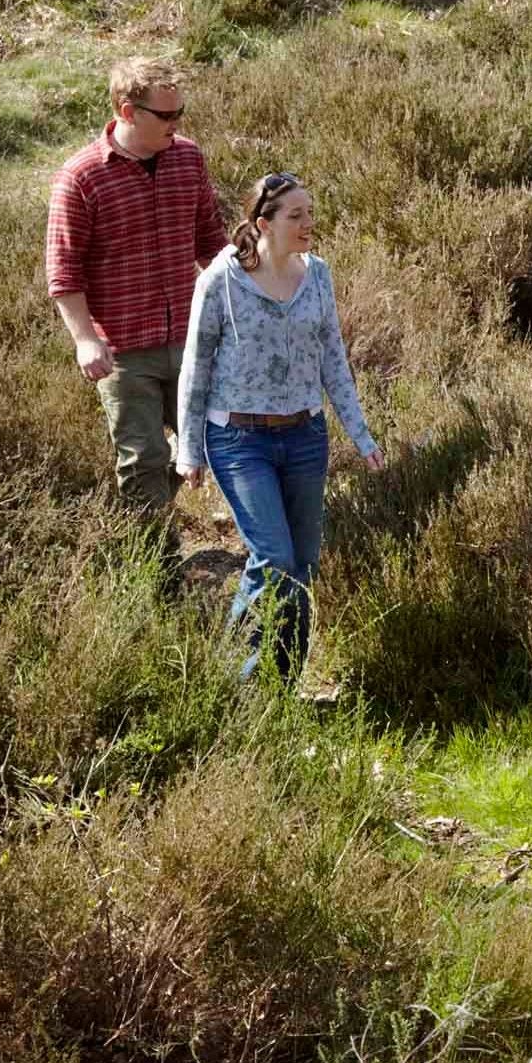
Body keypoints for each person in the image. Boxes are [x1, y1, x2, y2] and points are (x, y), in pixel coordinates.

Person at [177, 172, 385, 684]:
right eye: (296, 215)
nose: (308, 223)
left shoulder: (318, 274)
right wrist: (188, 449)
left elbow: (334, 358)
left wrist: (360, 434)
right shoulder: (221, 280)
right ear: (263, 223)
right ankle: (238, 681)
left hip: (304, 435)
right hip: (238, 438)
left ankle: (282, 686)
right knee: (273, 557)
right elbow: (196, 364)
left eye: (310, 212)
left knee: (303, 564)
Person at [44, 57, 223, 544]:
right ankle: (155, 570)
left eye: (180, 112)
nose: (177, 124)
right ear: (127, 111)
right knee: (143, 462)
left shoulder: (188, 159)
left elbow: (210, 241)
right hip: (125, 351)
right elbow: (63, 271)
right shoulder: (81, 178)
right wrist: (85, 340)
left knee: (209, 443)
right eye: (166, 116)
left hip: (190, 340)